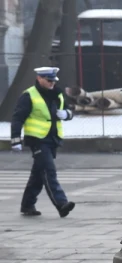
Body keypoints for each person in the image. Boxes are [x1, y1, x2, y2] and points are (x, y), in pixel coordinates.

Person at [11, 66, 74, 218]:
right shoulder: (29, 95)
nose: (52, 83)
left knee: (38, 174)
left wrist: (66, 114)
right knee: (48, 171)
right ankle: (61, 204)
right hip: (37, 139)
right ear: (39, 79)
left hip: (53, 138)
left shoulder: (57, 94)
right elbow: (17, 118)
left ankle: (27, 205)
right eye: (49, 80)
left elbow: (69, 111)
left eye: (53, 80)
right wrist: (15, 140)